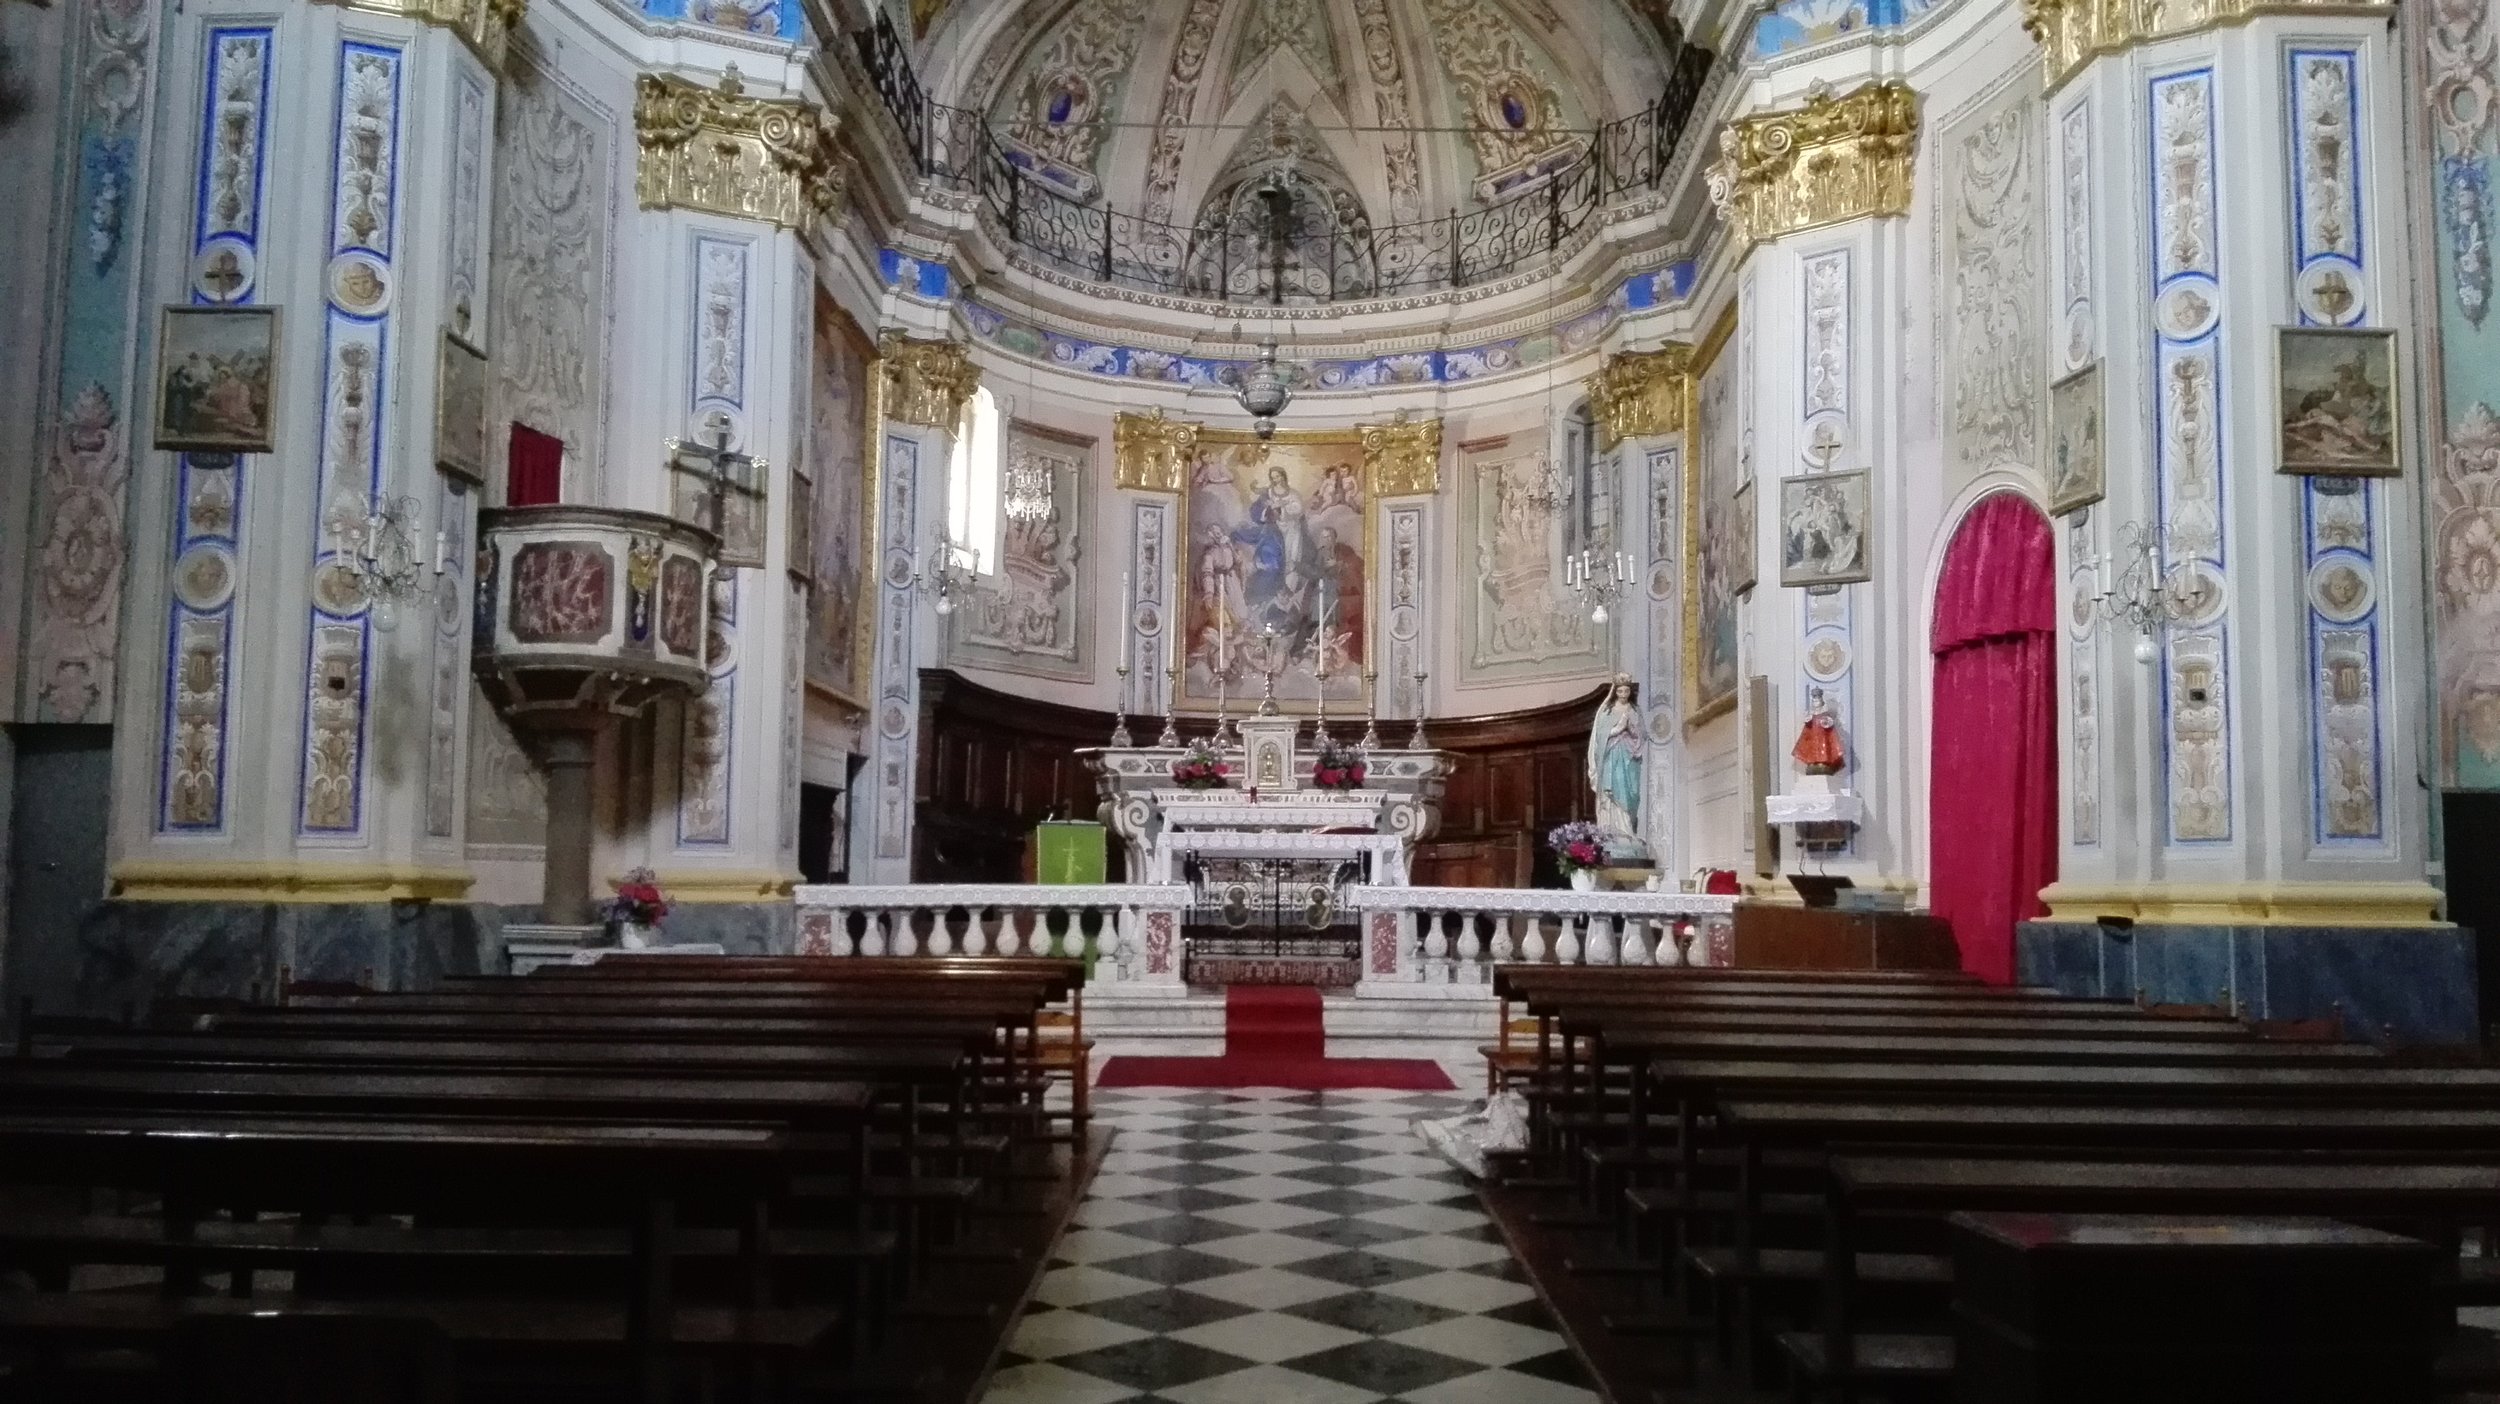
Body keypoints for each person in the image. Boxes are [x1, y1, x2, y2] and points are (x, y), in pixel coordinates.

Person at [1586, 673, 1642, 838]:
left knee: (1630, 792)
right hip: (1611, 757)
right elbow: (1600, 736)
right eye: (1620, 691)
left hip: (1629, 757)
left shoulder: (1634, 710)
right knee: (1612, 792)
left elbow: (1641, 734)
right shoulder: (1608, 711)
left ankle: (1627, 830)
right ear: (1615, 692)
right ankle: (1612, 830)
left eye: (1626, 691)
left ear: (1630, 692)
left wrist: (1630, 729)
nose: (1623, 695)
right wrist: (1617, 730)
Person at [1793, 686, 1845, 774]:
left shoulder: (1825, 714)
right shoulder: (1811, 713)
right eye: (1814, 699)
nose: (1815, 701)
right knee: (1812, 748)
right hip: (1813, 736)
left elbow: (1829, 723)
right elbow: (1807, 723)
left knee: (1824, 748)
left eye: (1817, 699)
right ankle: (1813, 761)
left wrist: (1826, 722)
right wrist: (1808, 720)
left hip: (1823, 736)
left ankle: (1823, 761)